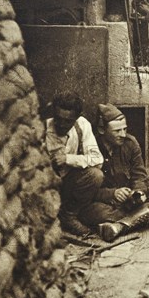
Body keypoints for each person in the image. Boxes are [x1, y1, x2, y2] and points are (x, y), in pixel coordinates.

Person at [89, 103, 149, 242]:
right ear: (101, 130)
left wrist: (137, 193)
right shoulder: (90, 147)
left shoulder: (130, 143)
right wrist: (113, 193)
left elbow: (139, 176)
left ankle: (119, 227)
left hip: (130, 203)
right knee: (92, 212)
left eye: (125, 129)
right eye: (117, 131)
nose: (123, 134)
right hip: (106, 203)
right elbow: (87, 191)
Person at [44, 92, 105, 235]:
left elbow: (97, 159)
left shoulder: (82, 125)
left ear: (76, 118)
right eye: (58, 119)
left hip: (68, 183)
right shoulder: (43, 128)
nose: (62, 125)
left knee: (96, 175)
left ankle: (68, 215)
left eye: (68, 121)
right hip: (46, 185)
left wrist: (69, 159)